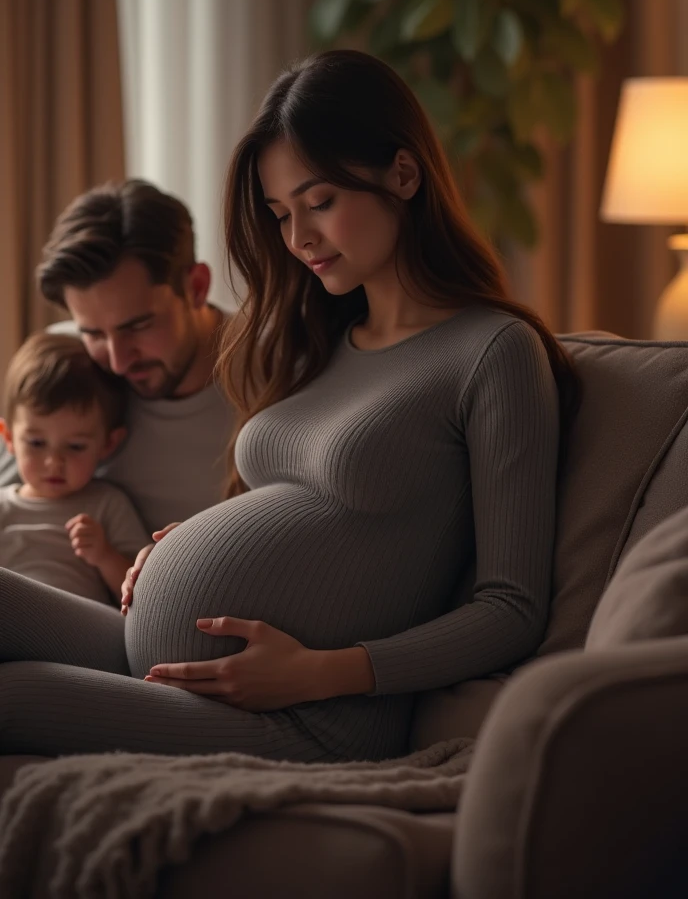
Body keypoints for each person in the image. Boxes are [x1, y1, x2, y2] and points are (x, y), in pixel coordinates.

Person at [0, 49, 580, 765]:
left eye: (321, 202)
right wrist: (180, 543)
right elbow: (305, 517)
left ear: (403, 173)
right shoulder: (319, 337)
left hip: (306, 712)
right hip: (164, 654)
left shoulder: (495, 353)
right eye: (280, 214)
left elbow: (512, 608)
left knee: (15, 696)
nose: (299, 238)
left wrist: (320, 671)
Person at [0, 180, 236, 532]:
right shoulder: (66, 364)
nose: (117, 361)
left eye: (137, 326)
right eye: (92, 332)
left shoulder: (277, 373)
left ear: (197, 287)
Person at [0, 333, 149, 603]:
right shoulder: (3, 507)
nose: (53, 462)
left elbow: (140, 592)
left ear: (108, 444)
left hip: (83, 626)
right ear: (8, 437)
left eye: (76, 447)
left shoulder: (106, 503)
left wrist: (105, 555)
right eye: (36, 443)